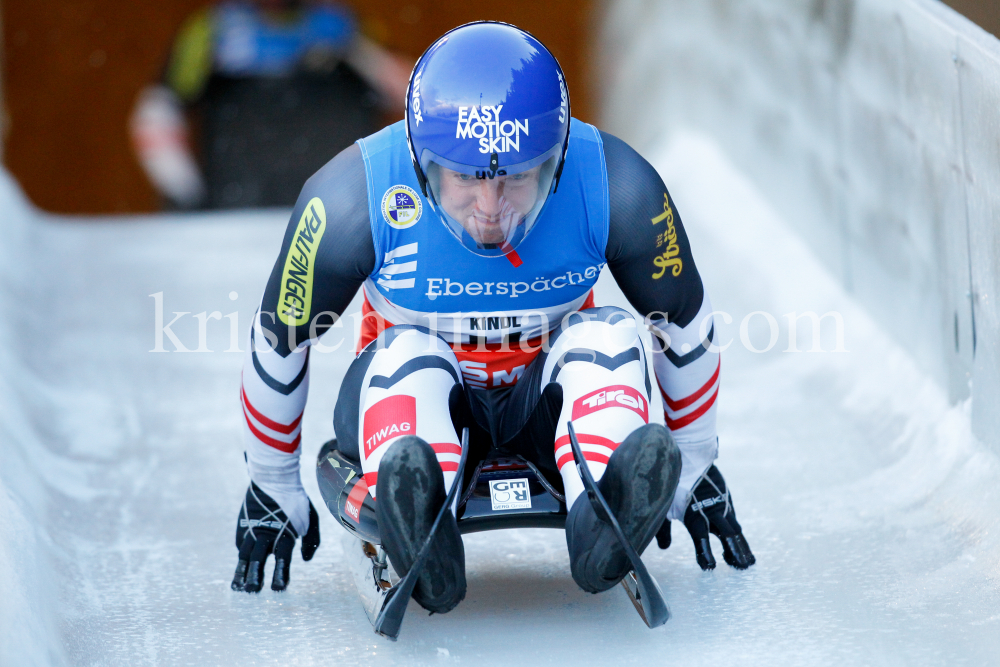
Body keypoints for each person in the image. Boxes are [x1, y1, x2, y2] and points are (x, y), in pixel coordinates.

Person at [229, 22, 755, 609]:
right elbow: (280, 335)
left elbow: (679, 315)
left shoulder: (615, 184)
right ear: (419, 161)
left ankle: (600, 519)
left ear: (555, 164)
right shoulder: (353, 194)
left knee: (606, 336)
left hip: (544, 415)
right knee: (408, 354)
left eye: (517, 178)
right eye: (463, 177)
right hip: (415, 403)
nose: (490, 210)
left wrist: (695, 463)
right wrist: (271, 484)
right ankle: (423, 525)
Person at [130, 0, 411, 209]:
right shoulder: (213, 30)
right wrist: (185, 194)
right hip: (238, 214)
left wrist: (357, 52)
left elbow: (413, 96)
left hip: (334, 213)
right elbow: (157, 113)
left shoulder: (343, 26)